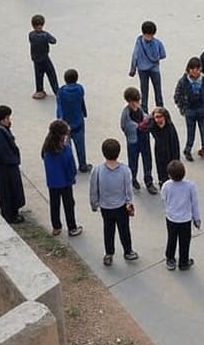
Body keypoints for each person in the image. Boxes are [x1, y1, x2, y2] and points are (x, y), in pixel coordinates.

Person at [89, 138, 138, 266]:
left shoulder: (97, 170)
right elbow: (128, 190)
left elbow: (94, 189)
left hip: (105, 208)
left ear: (103, 152)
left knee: (108, 230)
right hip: (121, 207)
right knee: (124, 230)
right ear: (118, 152)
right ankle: (128, 251)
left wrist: (94, 204)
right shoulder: (125, 170)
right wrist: (129, 203)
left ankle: (109, 253)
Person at [41, 120, 83, 238]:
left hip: (52, 182)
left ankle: (56, 227)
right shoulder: (65, 149)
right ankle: (72, 227)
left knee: (54, 204)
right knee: (69, 204)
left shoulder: (46, 148)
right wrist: (72, 178)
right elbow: (70, 166)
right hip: (65, 182)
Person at [161, 159, 201, 271]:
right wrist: (197, 218)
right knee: (185, 241)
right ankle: (183, 262)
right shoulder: (190, 186)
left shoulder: (166, 185)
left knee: (171, 238)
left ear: (169, 175)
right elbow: (195, 203)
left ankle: (170, 259)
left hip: (171, 218)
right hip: (185, 219)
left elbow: (163, 198)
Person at [0, 105, 25, 224]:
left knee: (13, 190)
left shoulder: (1, 130)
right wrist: (14, 160)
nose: (9, 120)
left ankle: (14, 212)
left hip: (9, 167)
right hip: (5, 169)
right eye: (8, 118)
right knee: (7, 192)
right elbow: (3, 153)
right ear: (2, 119)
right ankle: (10, 215)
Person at [174, 57, 204, 162]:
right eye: (192, 69)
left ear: (200, 69)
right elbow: (177, 96)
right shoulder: (183, 81)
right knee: (190, 134)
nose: (195, 72)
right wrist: (183, 108)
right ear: (188, 69)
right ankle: (187, 150)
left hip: (203, 111)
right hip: (190, 111)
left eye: (197, 69)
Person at [120, 87, 157, 195]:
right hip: (133, 141)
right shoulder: (126, 113)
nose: (136, 104)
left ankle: (148, 181)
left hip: (144, 138)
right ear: (129, 101)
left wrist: (146, 122)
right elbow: (124, 126)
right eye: (133, 102)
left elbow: (145, 116)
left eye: (137, 101)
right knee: (133, 161)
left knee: (147, 160)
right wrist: (137, 126)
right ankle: (133, 179)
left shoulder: (140, 110)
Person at [56, 68, 91, 172]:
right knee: (80, 145)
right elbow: (81, 102)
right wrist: (84, 113)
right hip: (78, 122)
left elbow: (59, 106)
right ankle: (83, 165)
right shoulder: (80, 89)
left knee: (67, 147)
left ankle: (70, 167)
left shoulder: (61, 91)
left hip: (65, 124)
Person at [129, 21, 166, 112]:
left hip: (143, 70)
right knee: (156, 91)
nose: (149, 37)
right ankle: (160, 109)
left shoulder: (139, 42)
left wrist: (132, 69)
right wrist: (155, 59)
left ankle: (146, 111)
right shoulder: (157, 43)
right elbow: (163, 55)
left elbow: (135, 56)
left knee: (145, 91)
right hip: (154, 69)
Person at [29, 14, 59, 100]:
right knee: (51, 74)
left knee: (39, 75)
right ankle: (56, 91)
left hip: (36, 59)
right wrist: (47, 37)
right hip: (44, 59)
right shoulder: (45, 35)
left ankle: (40, 90)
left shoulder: (31, 35)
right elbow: (53, 41)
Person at [150, 106, 181, 186]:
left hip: (170, 152)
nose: (158, 120)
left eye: (160, 117)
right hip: (160, 152)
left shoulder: (170, 127)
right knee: (161, 170)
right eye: (156, 117)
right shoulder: (153, 126)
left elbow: (175, 144)